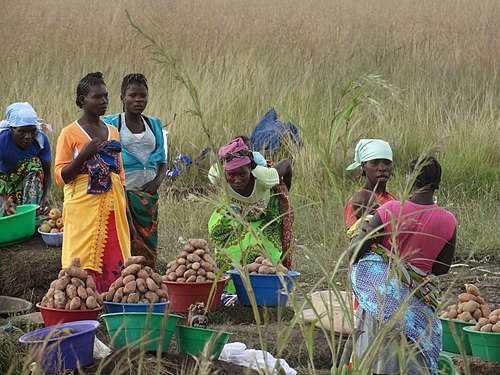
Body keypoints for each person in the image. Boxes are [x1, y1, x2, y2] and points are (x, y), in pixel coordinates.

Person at [349, 156, 457, 374]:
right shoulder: (448, 220)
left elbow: (355, 252)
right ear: (438, 183)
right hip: (419, 308)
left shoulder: (389, 210)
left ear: (410, 178)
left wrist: (381, 256)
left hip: (381, 304)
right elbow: (442, 267)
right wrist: (415, 269)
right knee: (412, 364)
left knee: (376, 361)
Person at [54, 72, 131, 293]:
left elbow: (120, 173)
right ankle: (82, 297)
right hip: (82, 207)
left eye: (106, 96)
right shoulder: (69, 133)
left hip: (112, 205)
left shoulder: (113, 131)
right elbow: (61, 176)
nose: (103, 101)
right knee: (82, 254)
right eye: (97, 97)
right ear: (82, 101)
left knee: (113, 251)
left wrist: (126, 212)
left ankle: (111, 298)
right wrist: (84, 155)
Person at [208, 137, 293, 286]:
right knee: (226, 254)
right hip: (235, 214)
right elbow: (215, 162)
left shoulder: (264, 177)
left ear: (251, 169)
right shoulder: (218, 176)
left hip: (264, 215)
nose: (237, 180)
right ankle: (230, 290)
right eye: (232, 175)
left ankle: (258, 290)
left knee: (259, 254)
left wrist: (285, 193)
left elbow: (286, 164)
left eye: (243, 174)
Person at [103, 73, 167, 267]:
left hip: (148, 196)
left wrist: (157, 182)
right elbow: (107, 160)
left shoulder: (153, 124)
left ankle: (147, 277)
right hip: (123, 193)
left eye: (143, 95)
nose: (138, 100)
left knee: (147, 243)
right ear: (122, 98)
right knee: (125, 239)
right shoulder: (112, 124)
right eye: (133, 95)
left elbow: (162, 160)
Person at [0, 102, 52, 216]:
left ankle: (30, 213)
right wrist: (2, 201)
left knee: (35, 163)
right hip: (3, 185)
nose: (28, 136)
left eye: (32, 130)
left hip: (25, 185)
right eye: (22, 131)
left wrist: (45, 197)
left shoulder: (41, 140)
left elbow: (47, 172)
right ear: (12, 129)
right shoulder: (2, 140)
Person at [345, 139, 396, 229]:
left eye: (387, 163)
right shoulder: (359, 202)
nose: (382, 168)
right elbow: (354, 238)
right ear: (364, 166)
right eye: (375, 163)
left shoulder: (391, 198)